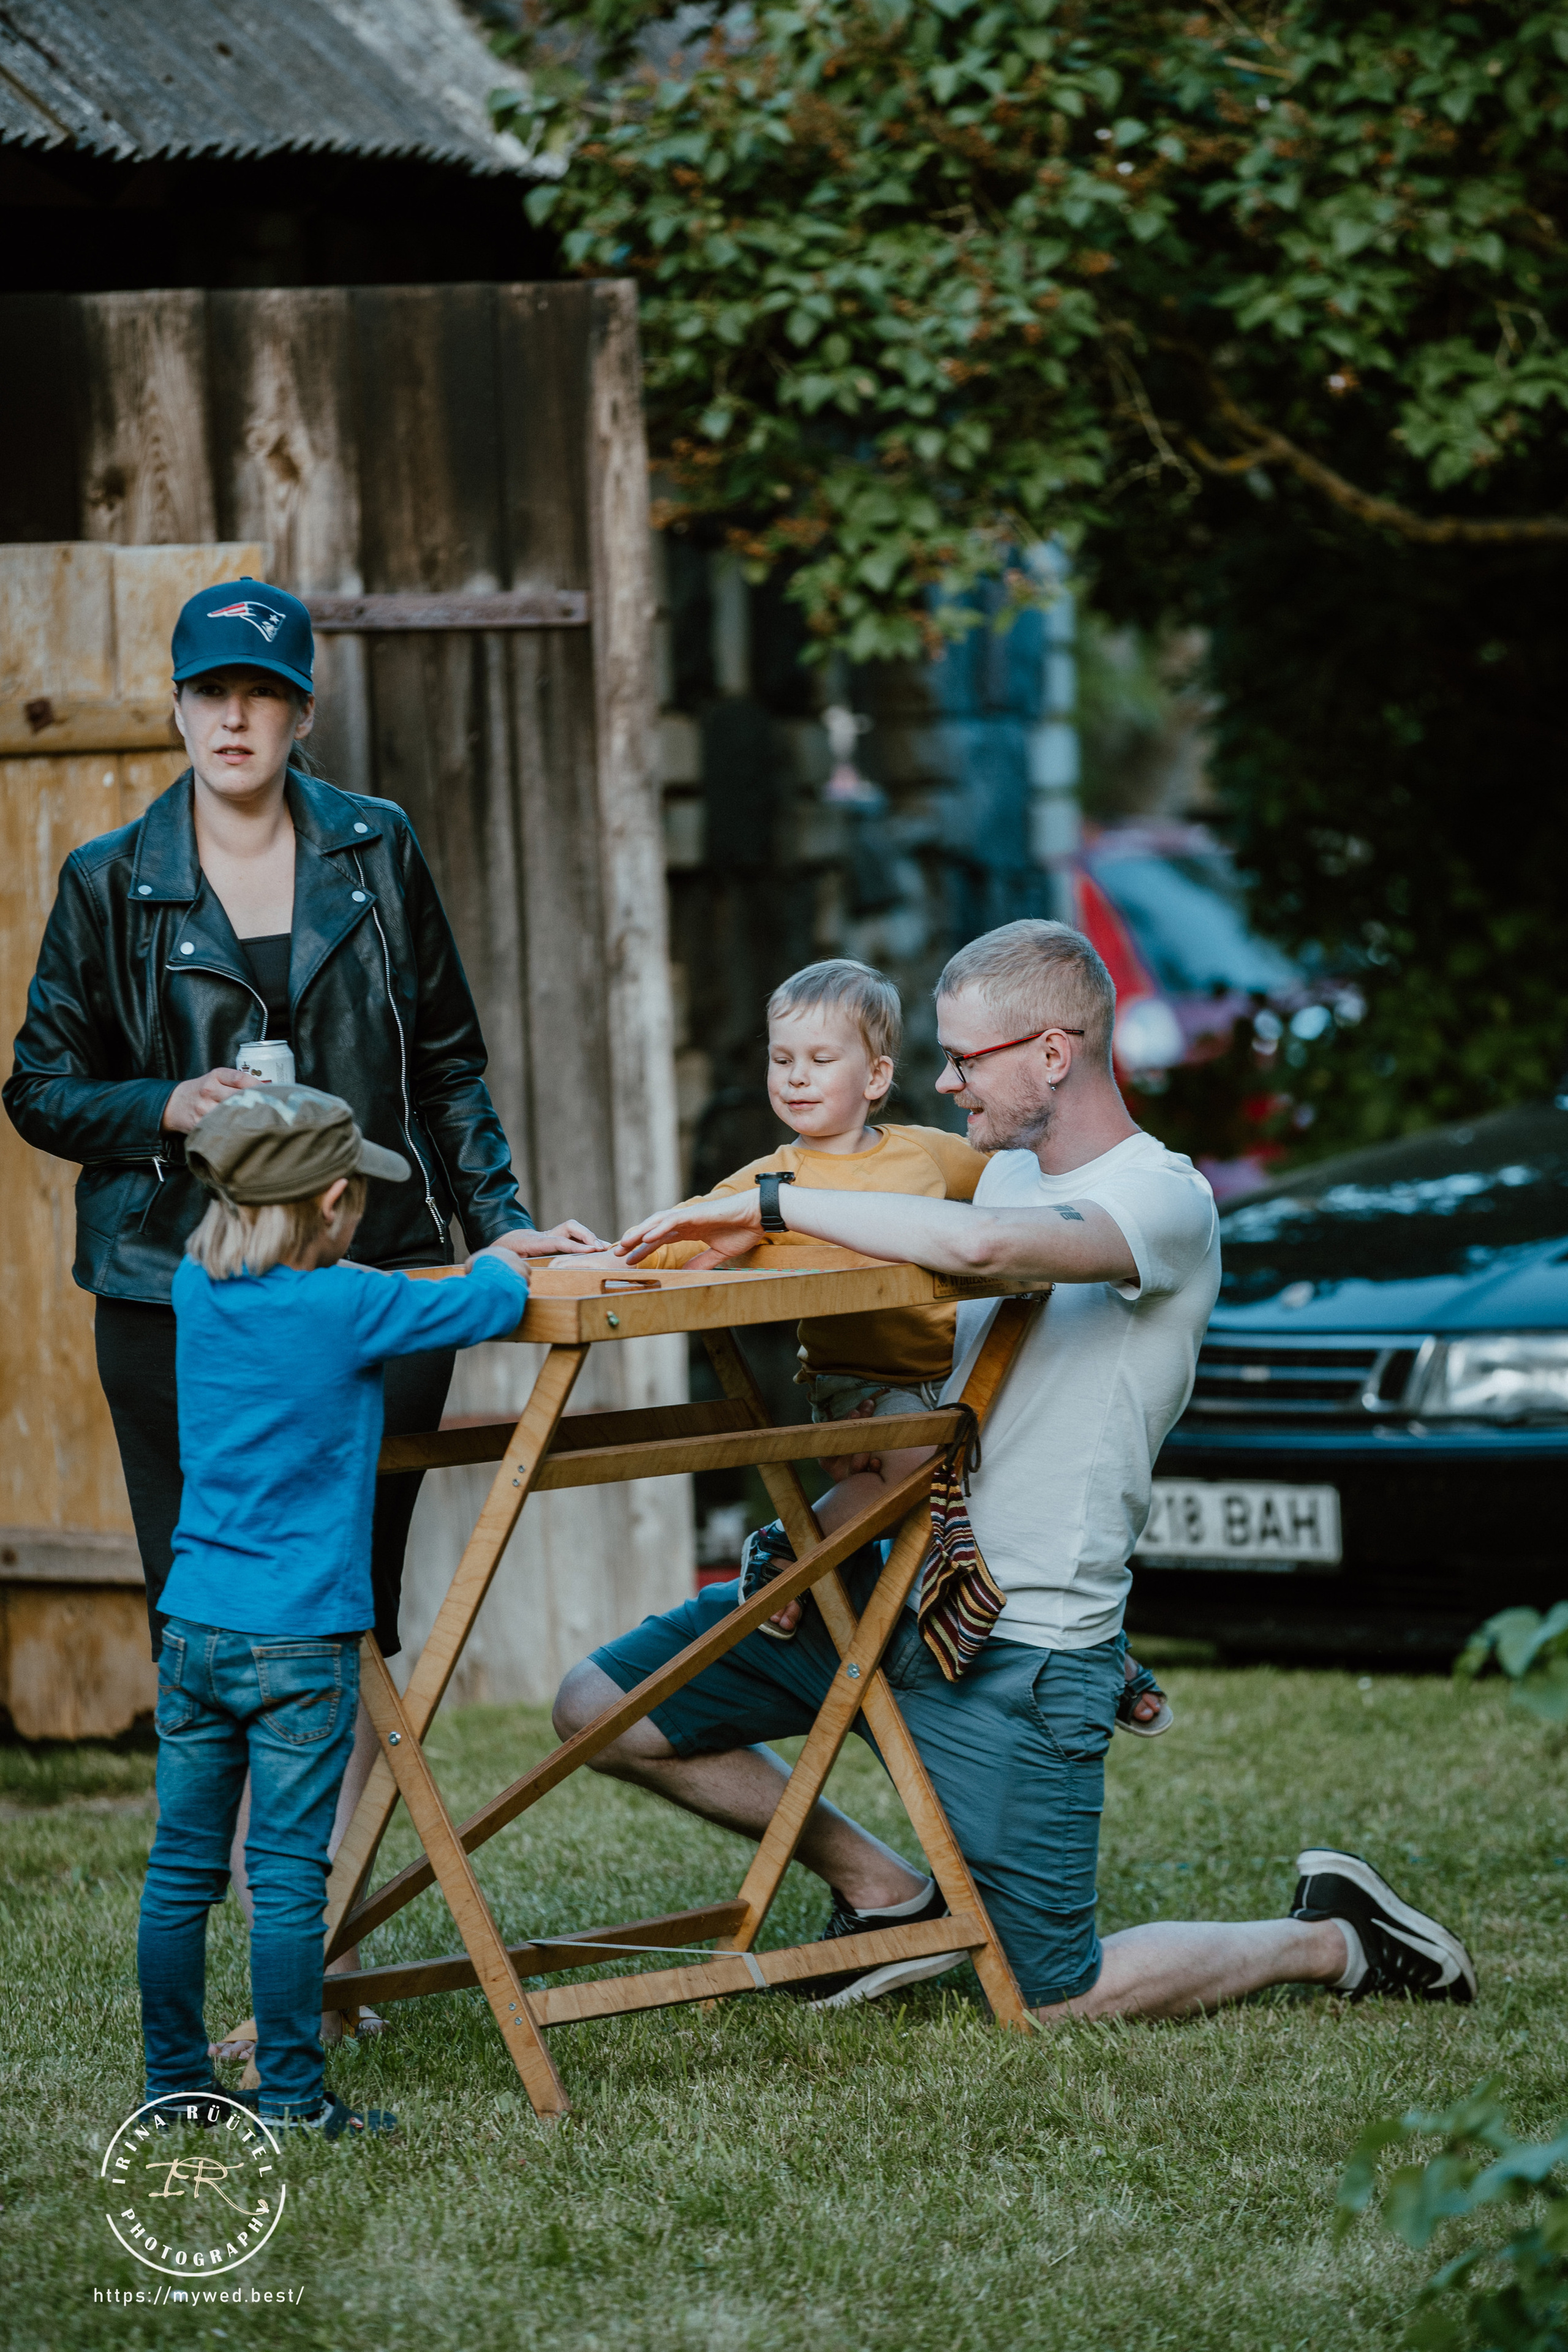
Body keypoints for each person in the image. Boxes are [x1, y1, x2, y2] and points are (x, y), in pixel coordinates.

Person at [555, 919, 1477, 2019]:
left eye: (966, 1059)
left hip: (1020, 1637)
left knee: (1049, 1995)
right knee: (602, 1705)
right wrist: (629, 1259)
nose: (944, 1084)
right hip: (883, 1576)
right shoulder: (988, 1184)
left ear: (1053, 1053)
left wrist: (770, 1196)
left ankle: (1332, 1936)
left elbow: (998, 1252)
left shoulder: (1163, 1201)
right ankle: (885, 1894)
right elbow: (917, 1299)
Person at [3, 576, 602, 2035]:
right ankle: (230, 1959)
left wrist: (504, 1228)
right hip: (175, 1298)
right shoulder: (109, 877)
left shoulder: (373, 846)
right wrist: (165, 1102)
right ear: (176, 705)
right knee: (206, 1610)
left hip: (369, 1280)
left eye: (262, 694)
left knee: (344, 1621)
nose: (235, 716)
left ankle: (311, 1950)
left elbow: (448, 1059)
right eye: (211, 691)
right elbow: (38, 1086)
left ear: (300, 711)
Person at [617, 955, 1166, 1727]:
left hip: (946, 1379)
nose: (795, 1080)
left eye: (818, 1061)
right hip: (859, 1381)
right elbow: (687, 1231)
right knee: (924, 1470)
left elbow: (1016, 1201)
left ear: (875, 1077)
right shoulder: (772, 1177)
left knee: (995, 1500)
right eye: (781, 1061)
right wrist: (613, 1256)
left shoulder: (925, 1154)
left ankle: (1089, 1654)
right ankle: (789, 1547)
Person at [140, 1085, 529, 2132]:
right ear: (333, 1204)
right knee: (286, 1875)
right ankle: (299, 2096)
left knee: (181, 1869)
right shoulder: (352, 1307)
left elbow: (290, 1294)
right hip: (300, 1638)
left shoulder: (192, 1288)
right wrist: (508, 1250)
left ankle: (173, 2083)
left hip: (195, 1626)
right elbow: (494, 1300)